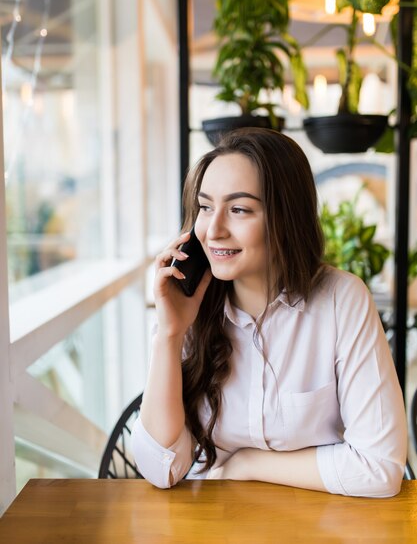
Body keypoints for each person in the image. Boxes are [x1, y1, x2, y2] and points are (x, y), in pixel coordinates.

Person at [132, 127, 407, 497]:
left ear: (285, 217)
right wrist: (169, 334)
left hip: (320, 524)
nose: (213, 230)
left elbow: (379, 468)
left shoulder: (342, 300)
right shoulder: (187, 307)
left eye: (239, 209)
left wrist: (248, 465)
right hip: (212, 525)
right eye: (205, 207)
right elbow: (160, 470)